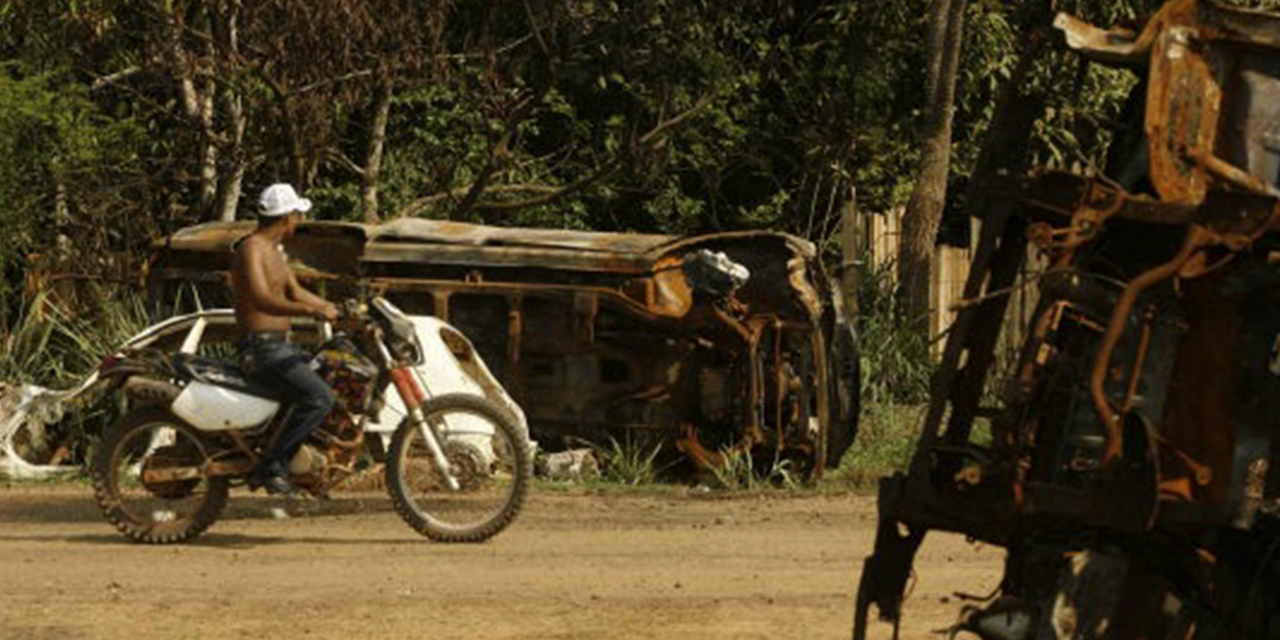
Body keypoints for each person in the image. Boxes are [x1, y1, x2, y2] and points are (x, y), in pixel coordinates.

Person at [230, 183, 339, 495]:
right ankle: (272, 466)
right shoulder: (251, 248)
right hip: (261, 348)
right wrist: (310, 310)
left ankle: (306, 467)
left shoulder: (277, 252)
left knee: (331, 375)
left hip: (281, 346)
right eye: (297, 215)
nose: (300, 221)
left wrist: (327, 306)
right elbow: (262, 299)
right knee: (320, 397)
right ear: (287, 217)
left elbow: (293, 290)